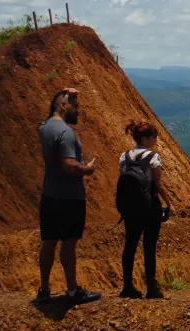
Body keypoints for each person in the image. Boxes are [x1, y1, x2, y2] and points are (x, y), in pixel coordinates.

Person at [35, 87, 102, 305]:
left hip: (49, 195)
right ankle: (72, 292)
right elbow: (69, 165)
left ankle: (44, 290)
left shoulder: (45, 127)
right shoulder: (66, 133)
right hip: (69, 198)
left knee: (48, 243)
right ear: (64, 106)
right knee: (68, 245)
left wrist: (62, 92)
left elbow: (50, 111)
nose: (78, 111)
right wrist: (87, 168)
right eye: (75, 106)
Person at [117, 120, 172, 299]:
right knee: (149, 246)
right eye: (153, 136)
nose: (156, 139)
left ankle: (127, 286)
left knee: (130, 245)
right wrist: (169, 203)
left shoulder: (124, 157)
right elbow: (158, 183)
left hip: (130, 207)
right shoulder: (153, 157)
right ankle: (151, 286)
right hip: (149, 206)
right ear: (145, 138)